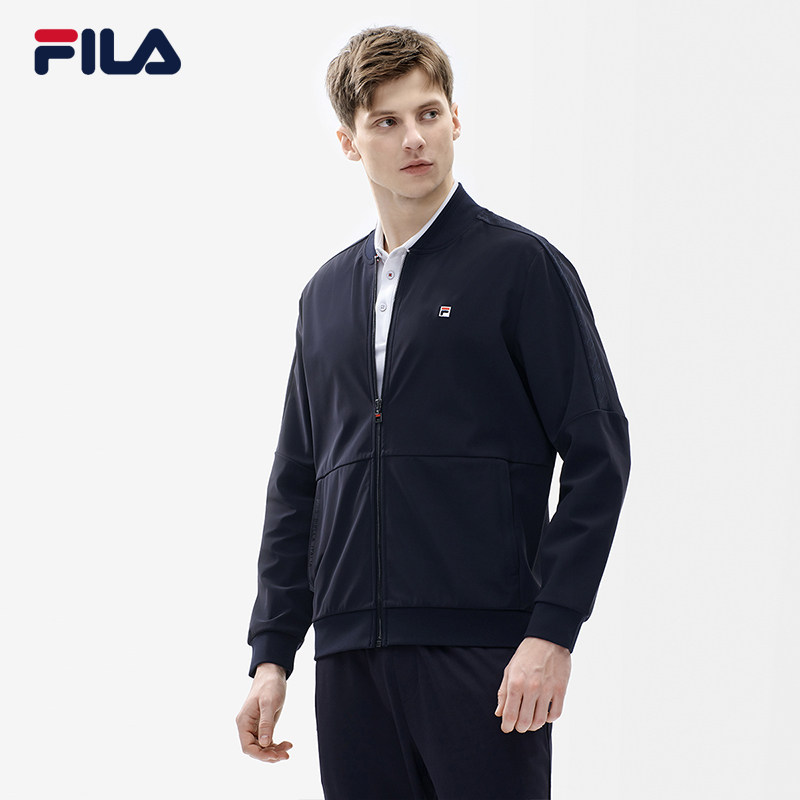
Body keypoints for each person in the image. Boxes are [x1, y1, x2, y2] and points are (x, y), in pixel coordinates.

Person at [236, 25, 631, 800]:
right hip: (350, 661)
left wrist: (551, 630)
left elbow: (599, 454)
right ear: (349, 141)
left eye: (429, 113)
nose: (414, 138)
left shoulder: (520, 267)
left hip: (485, 654)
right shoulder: (324, 297)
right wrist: (272, 654)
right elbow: (298, 486)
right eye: (386, 121)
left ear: (456, 118)